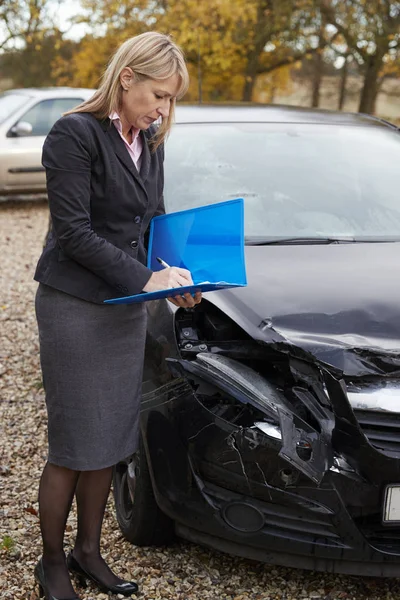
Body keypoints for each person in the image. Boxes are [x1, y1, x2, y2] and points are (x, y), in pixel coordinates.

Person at [33, 31, 201, 599]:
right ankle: (52, 562)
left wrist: (175, 280)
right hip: (75, 307)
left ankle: (89, 552)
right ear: (126, 77)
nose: (164, 109)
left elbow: (153, 221)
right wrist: (146, 279)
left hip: (126, 306)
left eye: (172, 99)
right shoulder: (73, 135)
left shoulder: (150, 142)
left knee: (109, 439)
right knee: (74, 444)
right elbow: (74, 234)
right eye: (160, 94)